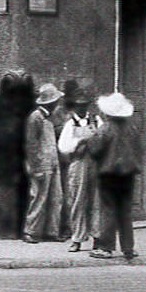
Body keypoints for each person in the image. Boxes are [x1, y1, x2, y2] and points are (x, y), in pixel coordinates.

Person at [86, 91, 141, 261]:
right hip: (128, 174)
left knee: (108, 209)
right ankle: (128, 248)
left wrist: (90, 137)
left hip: (109, 174)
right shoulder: (132, 128)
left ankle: (106, 247)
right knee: (125, 211)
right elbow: (139, 149)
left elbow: (95, 149)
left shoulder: (106, 129)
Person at [58, 86, 99, 252]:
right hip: (78, 163)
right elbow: (63, 147)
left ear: (88, 105)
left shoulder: (96, 121)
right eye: (78, 105)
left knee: (96, 201)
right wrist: (79, 143)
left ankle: (98, 237)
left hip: (95, 163)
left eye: (84, 105)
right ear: (74, 106)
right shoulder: (70, 124)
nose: (82, 108)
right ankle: (77, 238)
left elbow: (103, 139)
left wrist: (95, 144)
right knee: (77, 201)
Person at [22, 82, 64, 243]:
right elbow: (31, 144)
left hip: (53, 162)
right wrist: (36, 167)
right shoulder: (35, 117)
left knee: (56, 197)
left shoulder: (49, 118)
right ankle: (30, 231)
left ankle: (52, 231)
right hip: (41, 164)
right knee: (39, 197)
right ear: (51, 102)